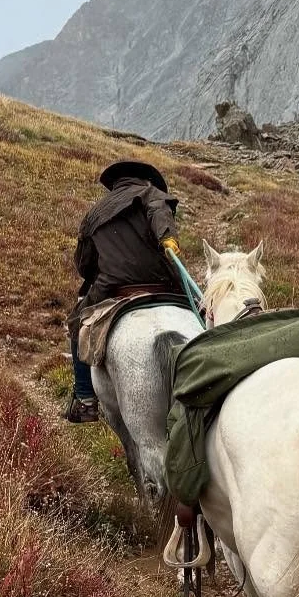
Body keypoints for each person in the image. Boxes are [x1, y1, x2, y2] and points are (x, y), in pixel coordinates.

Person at [66, 159, 186, 422]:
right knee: (207, 312)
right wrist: (168, 238)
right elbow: (159, 213)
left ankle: (85, 399)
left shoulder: (95, 213)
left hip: (113, 286)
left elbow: (84, 265)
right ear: (146, 179)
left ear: (115, 184)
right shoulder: (152, 193)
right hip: (166, 283)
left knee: (77, 324)